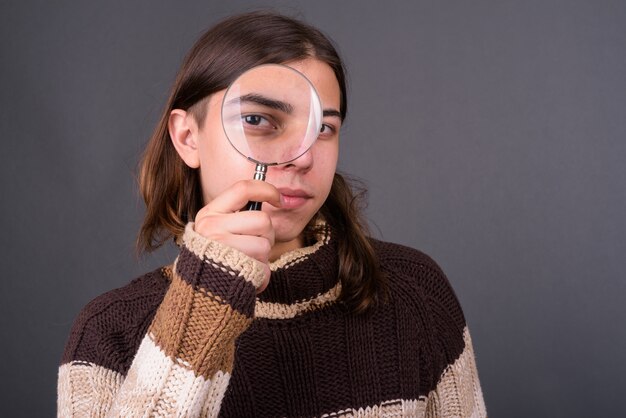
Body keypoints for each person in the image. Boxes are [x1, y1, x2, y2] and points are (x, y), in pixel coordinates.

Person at [58, 11, 486, 417]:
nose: (301, 158)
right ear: (188, 138)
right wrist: (200, 304)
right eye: (259, 119)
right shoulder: (108, 335)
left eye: (322, 129)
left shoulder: (415, 291)